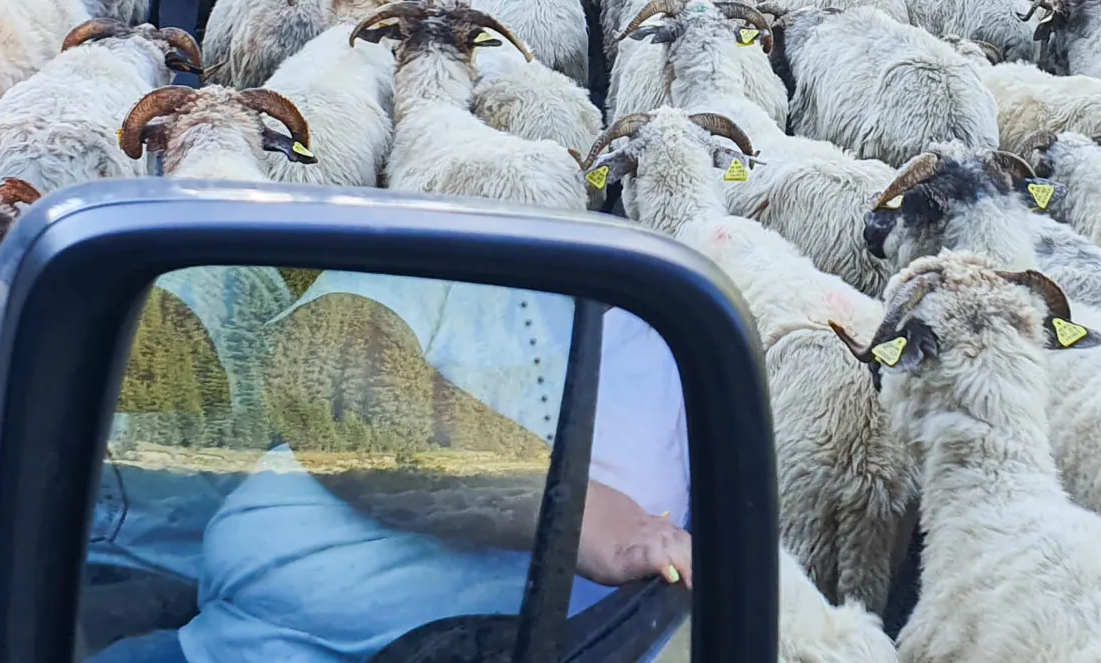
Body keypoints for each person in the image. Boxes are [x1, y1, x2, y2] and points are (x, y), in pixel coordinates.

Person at [88, 270, 692, 663]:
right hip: (220, 642)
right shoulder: (462, 250)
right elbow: (325, 373)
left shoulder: (692, 340)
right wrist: (581, 515)